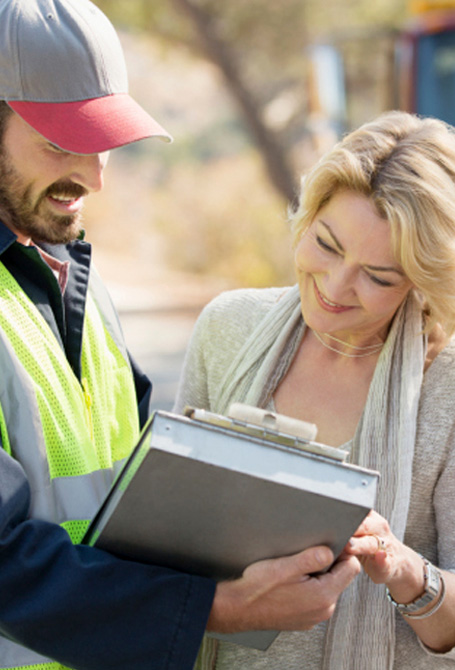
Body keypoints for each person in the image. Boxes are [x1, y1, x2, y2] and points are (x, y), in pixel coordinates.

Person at [0, 1, 360, 669]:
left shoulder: (69, 268)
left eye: (102, 140)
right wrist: (216, 609)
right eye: (59, 142)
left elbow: (135, 484)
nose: (96, 177)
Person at [175, 110, 455, 669]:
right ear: (308, 217)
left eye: (378, 276)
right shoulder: (227, 328)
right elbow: (174, 540)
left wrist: (401, 567)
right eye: (328, 245)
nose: (337, 287)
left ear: (424, 282)